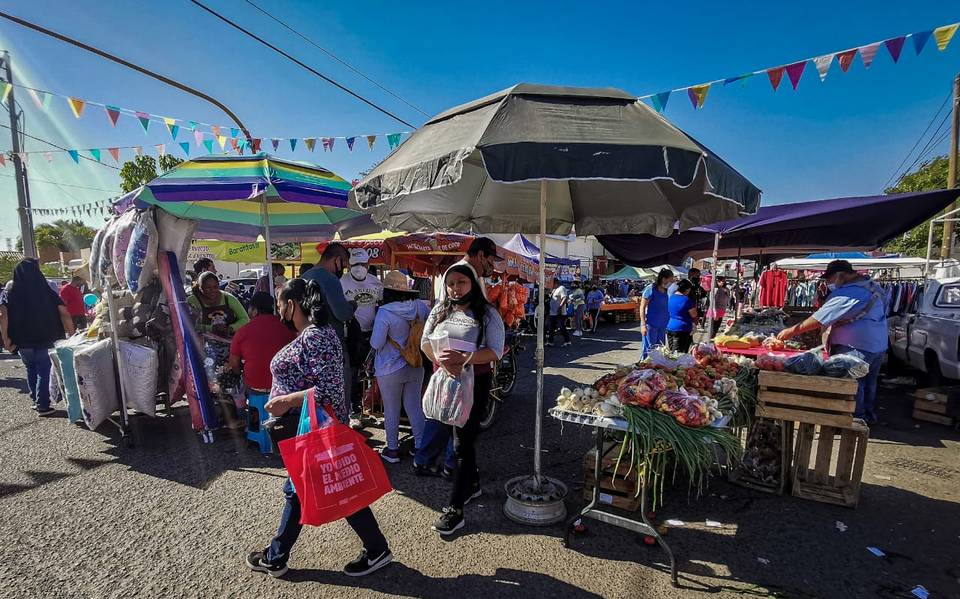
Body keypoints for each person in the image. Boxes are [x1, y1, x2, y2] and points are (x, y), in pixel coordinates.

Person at [247, 279, 392, 578]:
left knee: (306, 490)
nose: (277, 309)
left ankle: (276, 556)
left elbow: (326, 391)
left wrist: (285, 401)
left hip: (313, 429)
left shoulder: (317, 337)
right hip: (309, 428)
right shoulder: (315, 334)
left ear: (292, 305)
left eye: (279, 302)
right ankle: (376, 548)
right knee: (327, 490)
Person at [419, 264, 505, 535]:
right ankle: (474, 484)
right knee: (457, 438)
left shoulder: (487, 313)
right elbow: (424, 343)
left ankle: (455, 510)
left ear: (473, 284)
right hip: (444, 382)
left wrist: (465, 359)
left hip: (475, 384)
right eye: (451, 283)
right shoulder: (439, 310)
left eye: (461, 282)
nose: (455, 288)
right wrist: (442, 362)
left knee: (461, 443)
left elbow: (496, 351)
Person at [777, 260, 887, 423]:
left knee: (853, 385)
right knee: (869, 383)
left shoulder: (851, 292)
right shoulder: (872, 286)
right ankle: (868, 416)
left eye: (830, 279)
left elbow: (819, 319)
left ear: (840, 275)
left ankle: (854, 420)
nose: (829, 283)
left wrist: (791, 331)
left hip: (856, 346)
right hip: (877, 344)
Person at [369, 271, 430, 463]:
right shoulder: (421, 307)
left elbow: (376, 343)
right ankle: (421, 446)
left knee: (392, 408)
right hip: (416, 363)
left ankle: (392, 449)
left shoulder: (385, 312)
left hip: (389, 368)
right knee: (414, 405)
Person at [0, 259, 75, 416]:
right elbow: (64, 313)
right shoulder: (46, 291)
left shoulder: (9, 292)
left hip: (21, 339)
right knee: (43, 369)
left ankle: (35, 399)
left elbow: (3, 316)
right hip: (46, 336)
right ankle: (42, 405)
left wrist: (5, 338)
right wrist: (72, 334)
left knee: (30, 368)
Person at [301, 244, 357, 423]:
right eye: (345, 264)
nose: (344, 269)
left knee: (315, 404)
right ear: (337, 260)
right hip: (333, 349)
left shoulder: (304, 277)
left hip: (307, 348)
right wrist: (353, 305)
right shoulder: (330, 279)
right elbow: (343, 313)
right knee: (339, 404)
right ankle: (341, 440)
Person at [341, 248, 384, 426]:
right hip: (350, 335)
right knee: (352, 373)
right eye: (355, 264)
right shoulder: (341, 282)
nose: (359, 268)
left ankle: (373, 408)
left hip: (373, 333)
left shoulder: (376, 283)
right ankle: (354, 412)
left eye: (362, 264)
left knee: (373, 373)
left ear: (368, 264)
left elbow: (380, 307)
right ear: (349, 265)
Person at [228, 291, 296, 395]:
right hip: (284, 387)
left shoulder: (243, 331)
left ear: (255, 311)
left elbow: (234, 364)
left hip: (255, 387)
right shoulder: (288, 328)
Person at [188, 272, 249, 337]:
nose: (212, 290)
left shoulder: (228, 298)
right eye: (208, 288)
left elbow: (245, 319)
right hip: (201, 342)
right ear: (200, 288)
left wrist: (231, 328)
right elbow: (188, 325)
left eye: (215, 287)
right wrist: (211, 328)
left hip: (228, 341)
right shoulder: (192, 301)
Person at [640, 269, 674, 358]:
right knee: (649, 351)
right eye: (670, 280)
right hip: (650, 325)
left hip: (662, 325)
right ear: (663, 279)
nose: (671, 282)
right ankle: (644, 369)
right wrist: (643, 325)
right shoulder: (650, 289)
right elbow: (642, 307)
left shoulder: (667, 291)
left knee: (660, 351)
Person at [666, 279, 697, 353]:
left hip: (670, 327)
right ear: (687, 289)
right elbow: (694, 314)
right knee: (679, 354)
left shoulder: (671, 297)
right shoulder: (686, 300)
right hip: (682, 329)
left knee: (672, 352)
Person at [548, 278, 571, 347]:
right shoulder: (554, 290)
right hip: (552, 313)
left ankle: (567, 341)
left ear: (555, 283)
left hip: (560, 313)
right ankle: (550, 342)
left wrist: (560, 307)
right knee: (551, 328)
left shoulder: (561, 288)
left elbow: (565, 298)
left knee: (561, 327)